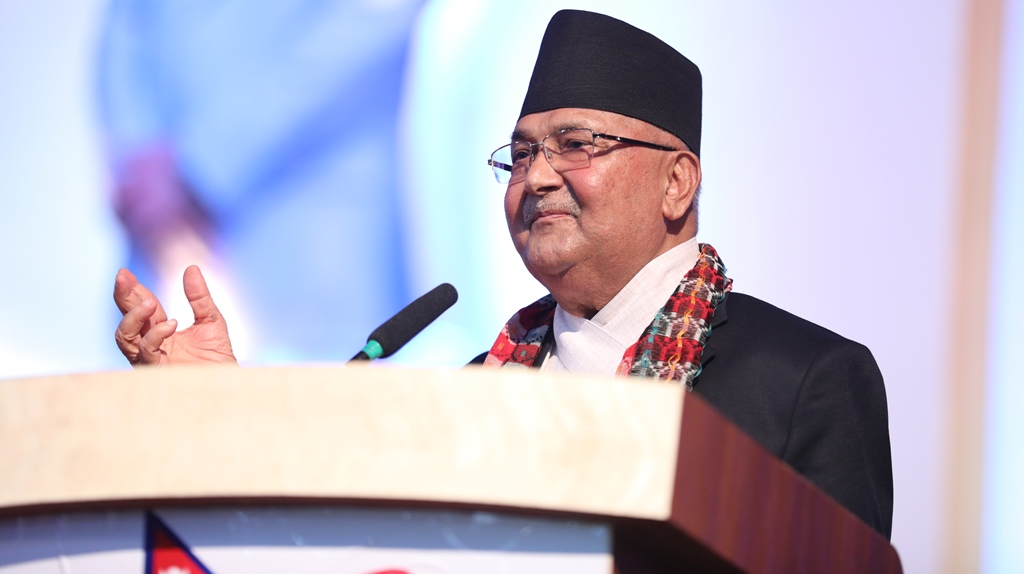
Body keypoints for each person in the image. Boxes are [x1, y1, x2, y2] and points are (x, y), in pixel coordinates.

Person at [113, 10, 893, 539]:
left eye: (576, 144)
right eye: (520, 155)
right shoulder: (478, 389)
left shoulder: (803, 381)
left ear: (676, 182)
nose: (538, 177)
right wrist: (216, 403)